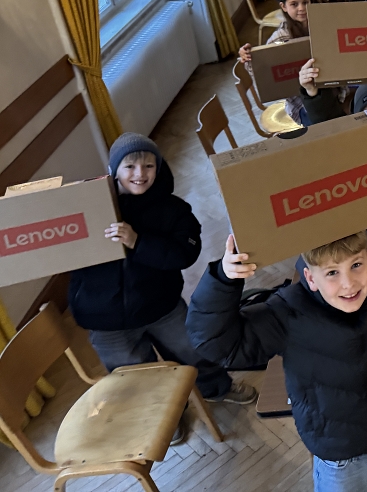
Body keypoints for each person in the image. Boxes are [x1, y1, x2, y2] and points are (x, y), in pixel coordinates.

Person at [186, 181, 367, 492]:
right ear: (310, 277)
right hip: (341, 454)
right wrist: (223, 279)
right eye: (332, 272)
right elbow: (215, 342)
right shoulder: (288, 312)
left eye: (356, 265)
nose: (348, 284)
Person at [69, 134, 256, 446]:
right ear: (114, 170)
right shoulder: (89, 210)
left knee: (193, 350)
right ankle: (165, 415)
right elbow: (63, 250)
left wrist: (137, 242)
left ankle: (216, 388)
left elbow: (184, 254)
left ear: (159, 168)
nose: (139, 173)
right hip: (105, 319)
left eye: (148, 165)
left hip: (161, 305)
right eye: (129, 166)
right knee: (135, 374)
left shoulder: (173, 210)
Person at [238, 0, 315, 125]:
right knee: (325, 126)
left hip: (329, 91)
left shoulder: (319, 24)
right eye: (294, 4)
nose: (302, 8)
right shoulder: (280, 37)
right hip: (301, 103)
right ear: (283, 6)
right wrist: (248, 58)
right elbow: (263, 72)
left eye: (305, 2)